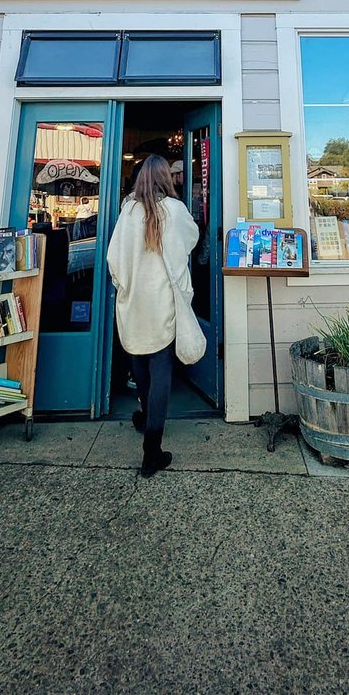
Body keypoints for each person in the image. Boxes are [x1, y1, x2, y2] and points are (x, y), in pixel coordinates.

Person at [106, 154, 199, 476]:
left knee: (139, 363)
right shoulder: (174, 210)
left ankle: (145, 417)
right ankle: (152, 450)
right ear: (165, 178)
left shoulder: (128, 211)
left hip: (132, 300)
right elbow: (191, 240)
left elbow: (113, 258)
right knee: (161, 370)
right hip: (162, 301)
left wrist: (122, 286)